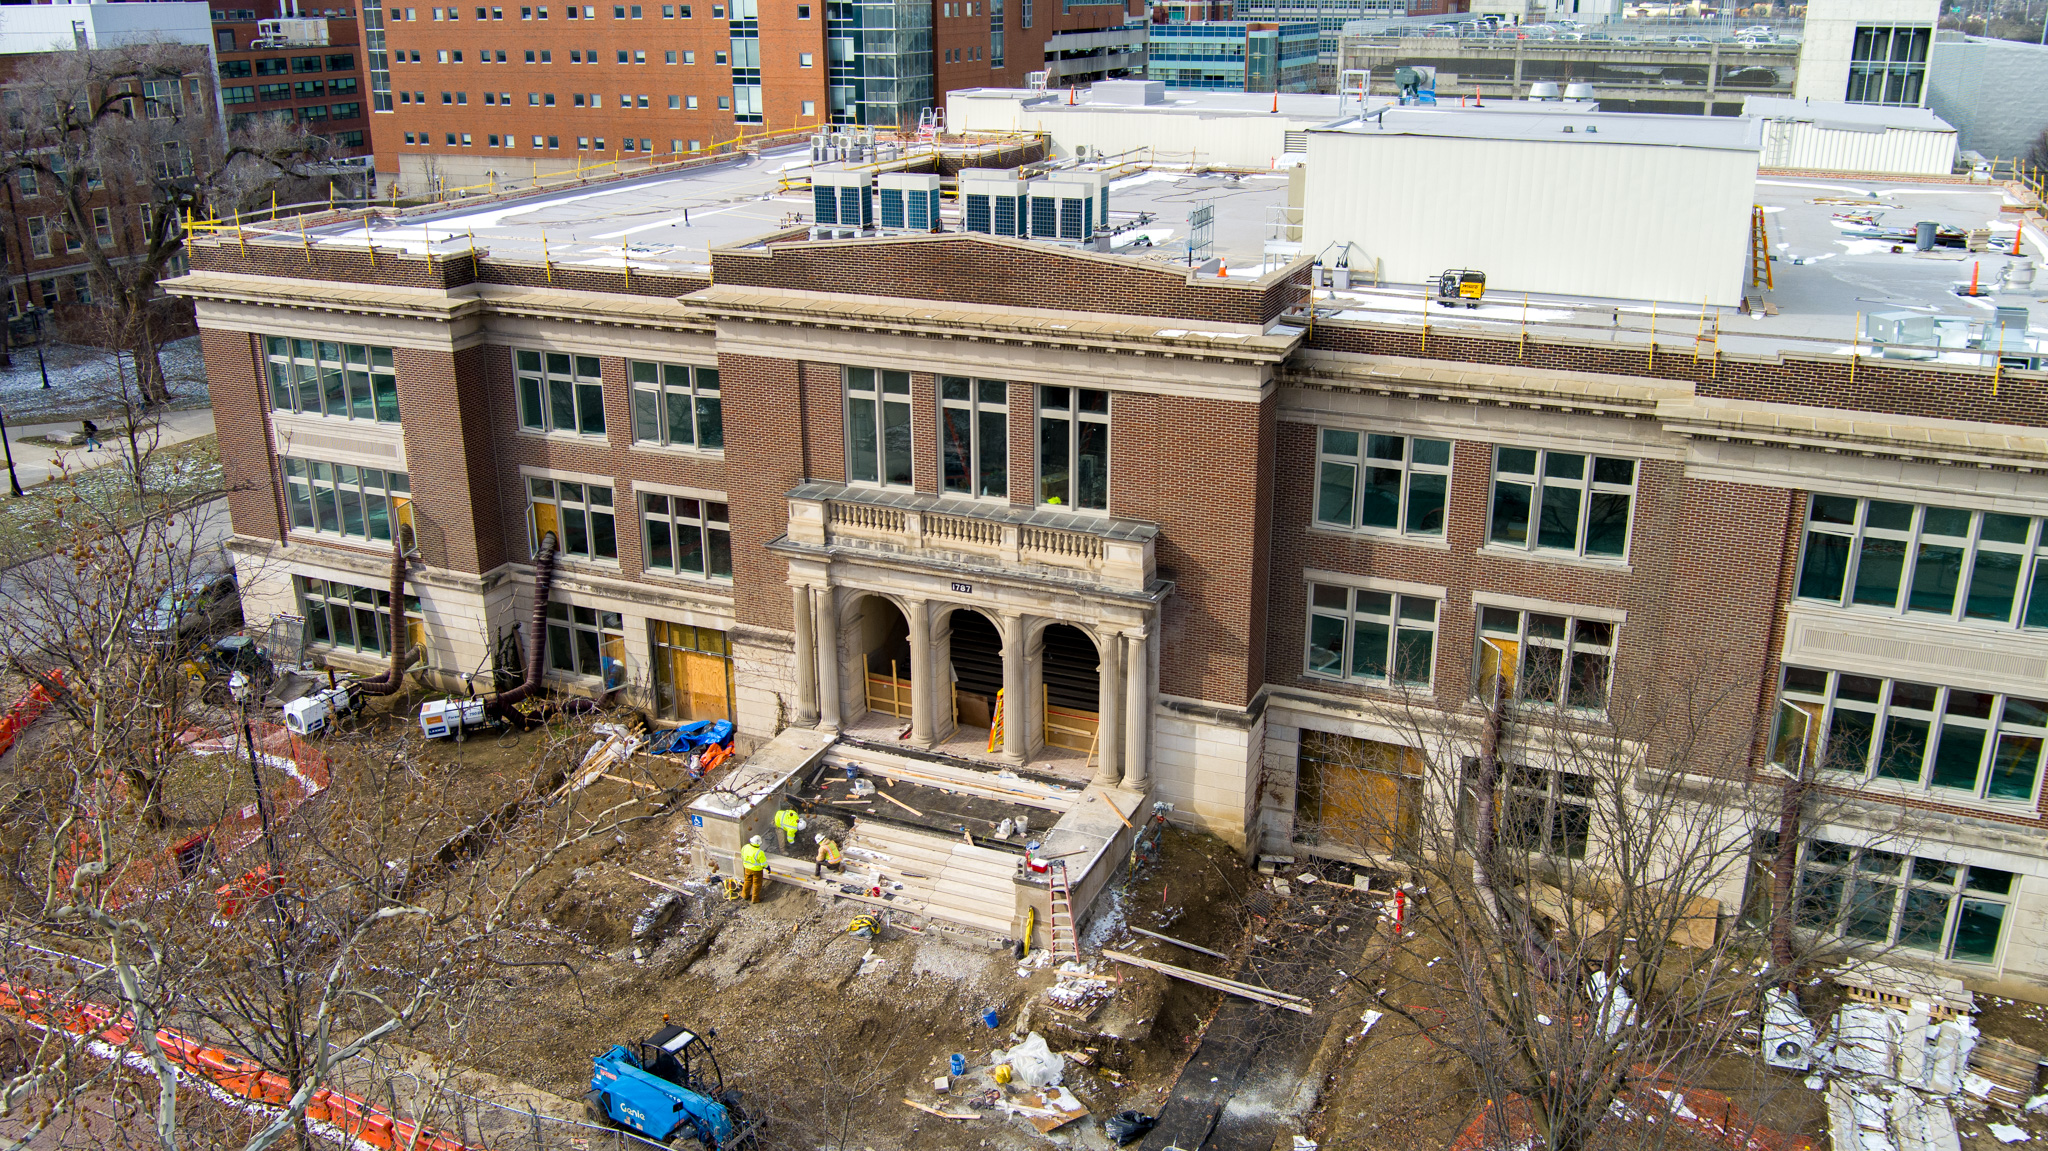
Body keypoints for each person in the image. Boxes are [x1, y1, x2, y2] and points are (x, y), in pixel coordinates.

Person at [739, 835, 769, 902]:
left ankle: (744, 895)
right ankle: (755, 899)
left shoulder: (745, 847)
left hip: (747, 869)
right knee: (757, 884)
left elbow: (742, 856)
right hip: (757, 871)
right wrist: (768, 867)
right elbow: (763, 864)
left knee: (747, 881)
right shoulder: (759, 852)